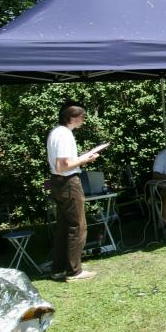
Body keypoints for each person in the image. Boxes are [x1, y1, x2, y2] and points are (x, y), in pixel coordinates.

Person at [47, 102, 99, 282]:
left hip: (58, 182)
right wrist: (86, 159)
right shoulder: (65, 135)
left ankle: (58, 269)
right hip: (68, 182)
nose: (84, 120)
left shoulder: (56, 132)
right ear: (73, 117)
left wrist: (82, 157)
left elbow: (62, 164)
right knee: (78, 226)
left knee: (64, 228)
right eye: (82, 117)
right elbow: (63, 165)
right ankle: (74, 271)